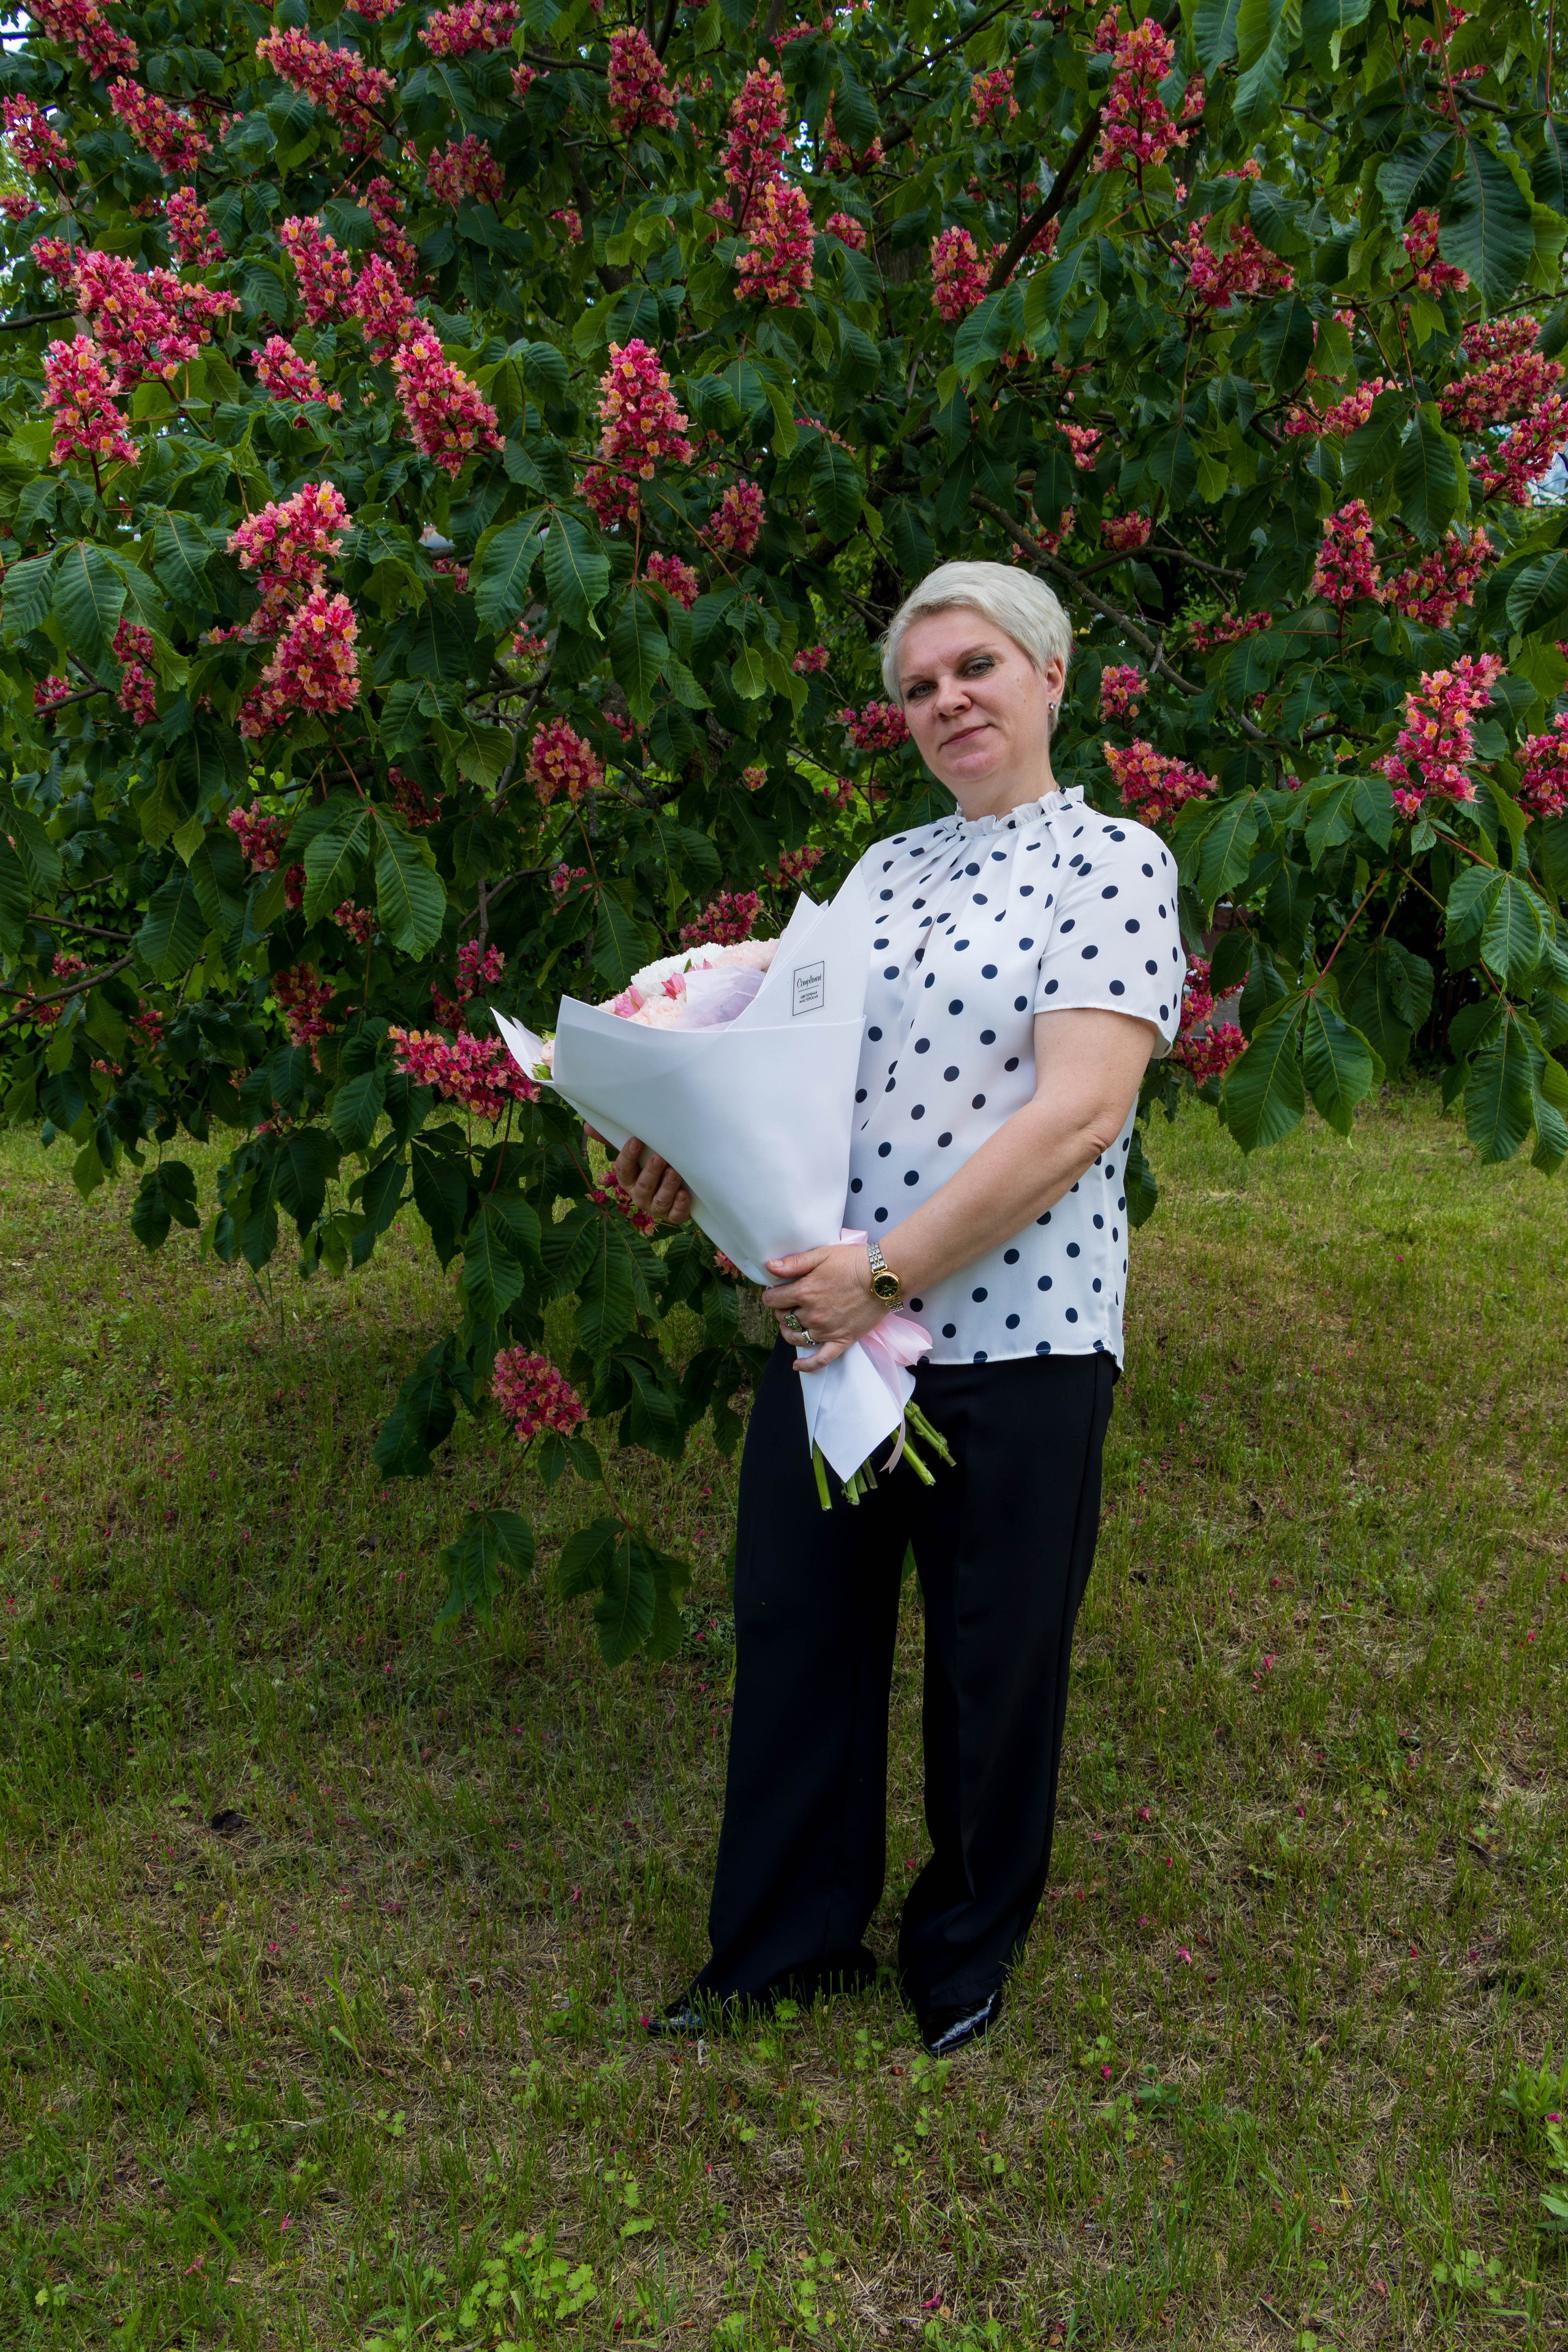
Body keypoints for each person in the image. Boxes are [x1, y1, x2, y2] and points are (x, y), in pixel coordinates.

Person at [608, 561, 1186, 2057]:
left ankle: (961, 1948)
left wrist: (888, 1266)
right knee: (799, 1627)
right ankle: (783, 1945)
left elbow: (1078, 1116)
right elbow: (790, 1076)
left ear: (1051, 678)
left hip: (1022, 1332)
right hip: (841, 1332)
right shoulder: (879, 872)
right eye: (918, 687)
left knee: (994, 1658)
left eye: (973, 668)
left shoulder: (1110, 861)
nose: (945, 703)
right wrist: (686, 1152)